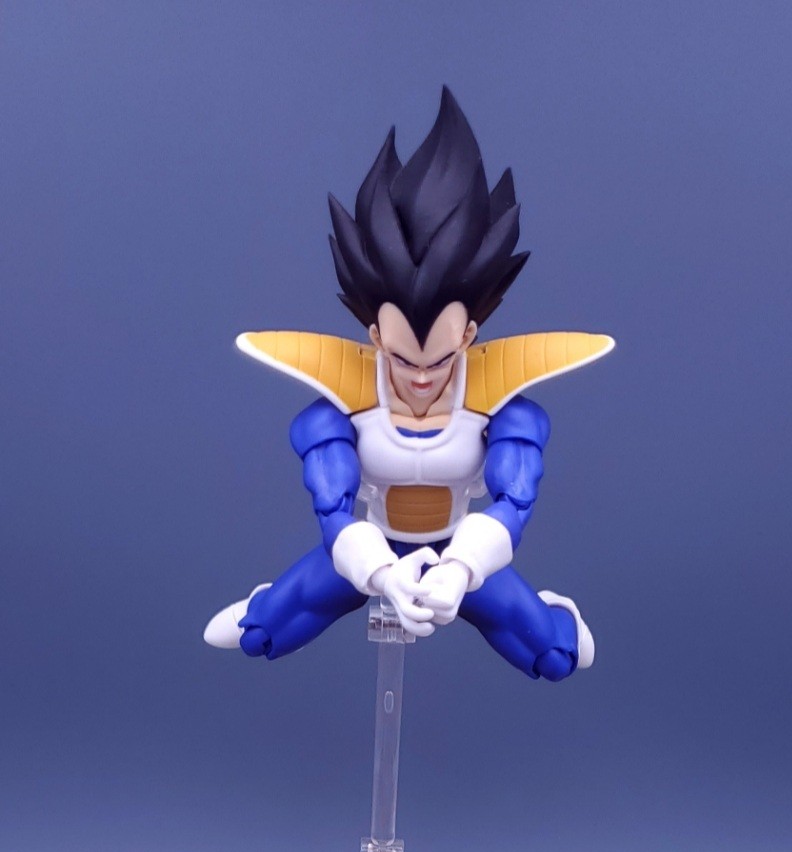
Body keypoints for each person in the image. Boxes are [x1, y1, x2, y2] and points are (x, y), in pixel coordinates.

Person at [204, 90, 610, 680]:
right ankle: (269, 601)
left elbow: (515, 502)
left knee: (555, 657)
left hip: (458, 552)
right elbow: (332, 507)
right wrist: (381, 574)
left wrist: (461, 569)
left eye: (439, 360)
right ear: (374, 335)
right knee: (258, 635)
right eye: (400, 359)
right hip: (372, 548)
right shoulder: (343, 402)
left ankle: (556, 615)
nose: (420, 378)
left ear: (469, 335)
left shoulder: (500, 404)